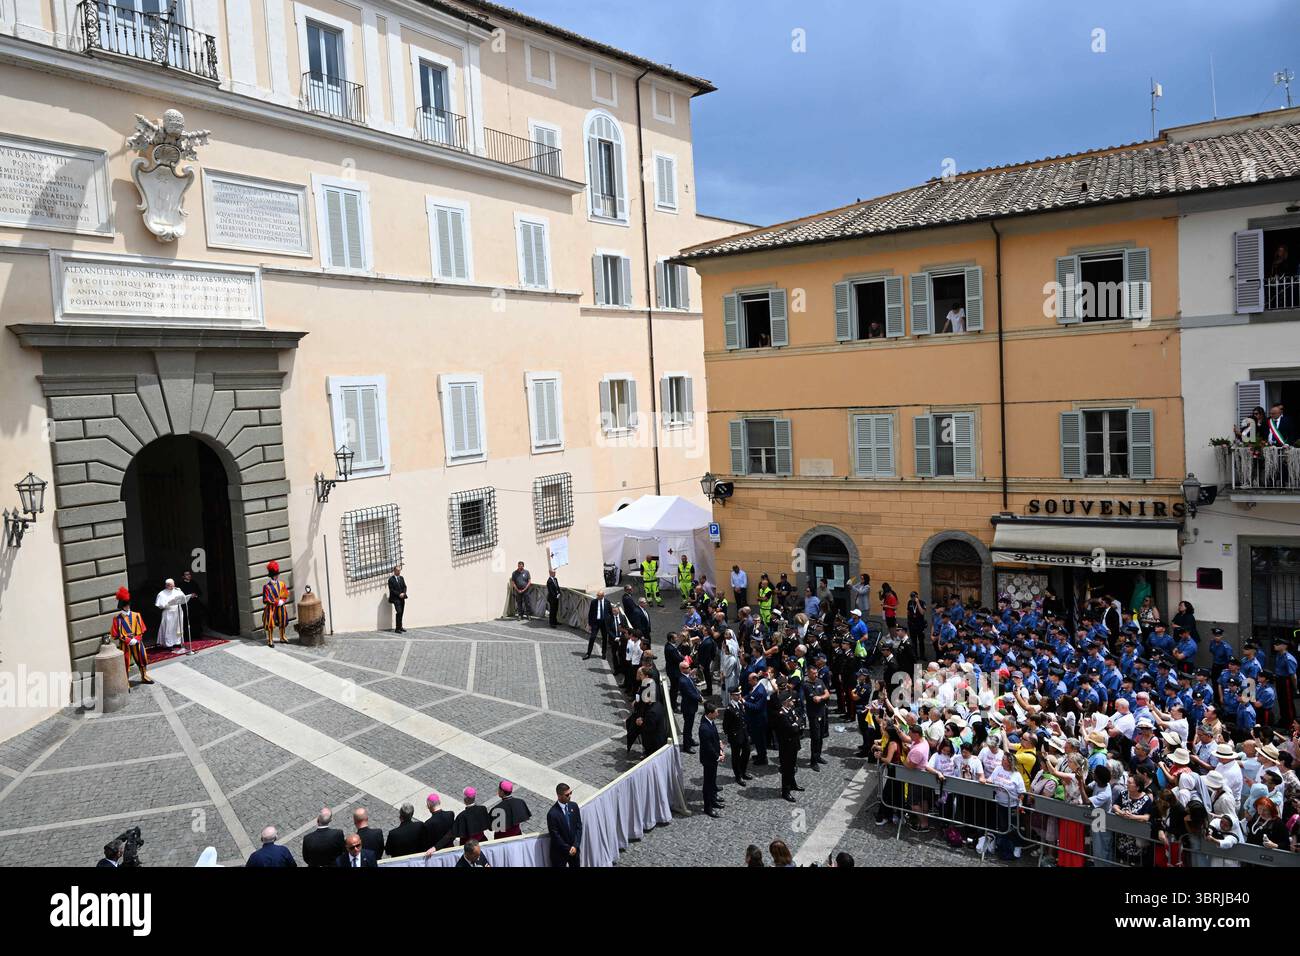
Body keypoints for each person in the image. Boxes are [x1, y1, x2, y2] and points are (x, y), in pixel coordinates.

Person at [109, 587, 152, 685]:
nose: (127, 606)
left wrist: (136, 639)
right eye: (125, 605)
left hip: (137, 642)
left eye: (128, 604)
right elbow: (116, 634)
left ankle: (144, 676)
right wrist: (128, 640)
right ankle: (126, 681)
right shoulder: (117, 619)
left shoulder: (137, 615)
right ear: (122, 606)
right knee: (125, 662)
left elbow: (142, 630)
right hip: (125, 644)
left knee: (142, 658)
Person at [775, 691, 803, 802]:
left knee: (792, 766)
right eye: (791, 700)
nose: (793, 701)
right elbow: (793, 729)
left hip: (793, 744)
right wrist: (798, 723)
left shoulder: (789, 711)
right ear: (786, 702)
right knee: (786, 769)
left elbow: (797, 723)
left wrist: (797, 723)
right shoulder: (782, 715)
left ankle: (793, 784)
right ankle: (785, 791)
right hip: (786, 746)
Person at [547, 782, 582, 867]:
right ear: (559, 796)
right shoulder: (552, 814)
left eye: (570, 793)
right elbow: (555, 836)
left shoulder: (574, 806)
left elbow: (579, 827)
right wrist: (568, 849)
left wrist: (575, 845)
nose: (570, 796)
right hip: (560, 853)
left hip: (574, 850)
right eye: (567, 795)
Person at [723, 687, 752, 786]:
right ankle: (738, 776)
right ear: (731, 696)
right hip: (735, 737)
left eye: (739, 694)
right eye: (736, 694)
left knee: (746, 752)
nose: (739, 696)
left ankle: (743, 771)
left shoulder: (740, 704)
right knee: (736, 757)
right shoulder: (729, 709)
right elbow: (725, 726)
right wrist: (732, 735)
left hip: (744, 734)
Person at [699, 700, 724, 817]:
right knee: (708, 784)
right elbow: (708, 747)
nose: (718, 714)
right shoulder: (704, 728)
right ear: (709, 714)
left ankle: (713, 800)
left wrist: (719, 744)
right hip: (709, 759)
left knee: (713, 781)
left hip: (714, 757)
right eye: (716, 712)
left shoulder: (710, 721)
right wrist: (718, 756)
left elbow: (715, 735)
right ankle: (708, 807)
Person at [261, 561, 290, 646]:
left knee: (283, 621)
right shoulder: (266, 587)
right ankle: (270, 640)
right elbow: (266, 599)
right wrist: (277, 602)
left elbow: (285, 594)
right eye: (275, 575)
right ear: (272, 575)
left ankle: (282, 637)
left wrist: (283, 601)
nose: (277, 576)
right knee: (270, 623)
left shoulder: (282, 584)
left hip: (281, 606)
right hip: (271, 607)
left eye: (277, 574)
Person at [155, 578, 187, 650]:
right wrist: (168, 603)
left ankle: (178, 642)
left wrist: (181, 591)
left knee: (178, 628)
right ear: (166, 585)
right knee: (169, 629)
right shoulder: (161, 594)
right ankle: (169, 644)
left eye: (173, 585)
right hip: (168, 612)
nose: (173, 587)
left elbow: (184, 599)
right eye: (170, 586)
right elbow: (160, 605)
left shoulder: (177, 591)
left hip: (178, 611)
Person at [679, 662, 702, 753]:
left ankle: (690, 739)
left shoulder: (687, 677)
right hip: (688, 707)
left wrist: (699, 693)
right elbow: (690, 693)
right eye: (687, 668)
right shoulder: (683, 680)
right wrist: (700, 699)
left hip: (691, 706)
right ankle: (686, 746)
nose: (689, 669)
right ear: (682, 669)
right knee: (687, 727)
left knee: (690, 725)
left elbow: (694, 688)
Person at [585, 590, 614, 661]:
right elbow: (590, 613)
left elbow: (610, 613)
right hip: (595, 622)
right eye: (597, 595)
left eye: (598, 595)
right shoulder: (593, 602)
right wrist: (589, 623)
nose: (597, 596)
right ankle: (588, 653)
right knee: (592, 637)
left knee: (604, 638)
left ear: (602, 596)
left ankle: (603, 653)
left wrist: (609, 622)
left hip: (604, 623)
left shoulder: (607, 602)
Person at [179, 570, 204, 642]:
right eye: (186, 574)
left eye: (189, 574)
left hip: (195, 604)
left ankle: (197, 635)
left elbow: (200, 592)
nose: (189, 575)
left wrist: (195, 594)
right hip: (186, 605)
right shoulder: (181, 585)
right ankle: (188, 637)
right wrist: (189, 595)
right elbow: (181, 596)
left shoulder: (194, 582)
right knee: (187, 620)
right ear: (183, 576)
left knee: (196, 619)